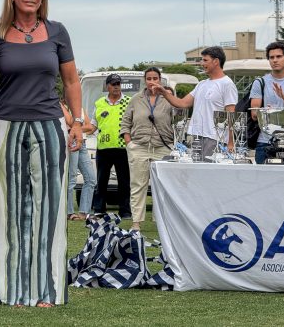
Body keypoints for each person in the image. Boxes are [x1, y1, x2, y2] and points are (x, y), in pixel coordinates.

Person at [0, 0, 82, 307]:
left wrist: (77, 122)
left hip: (50, 124)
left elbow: (71, 81)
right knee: (8, 207)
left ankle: (48, 290)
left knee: (50, 208)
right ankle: (12, 290)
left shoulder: (57, 32)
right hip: (6, 125)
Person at [151, 47, 238, 160]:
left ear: (216, 61)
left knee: (209, 170)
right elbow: (182, 103)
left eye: (205, 60)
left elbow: (231, 114)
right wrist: (164, 92)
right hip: (196, 137)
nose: (202, 63)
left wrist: (231, 142)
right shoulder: (201, 84)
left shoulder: (227, 84)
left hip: (215, 139)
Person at [120, 67, 173, 232]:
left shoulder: (167, 98)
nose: (152, 82)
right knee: (138, 185)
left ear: (160, 80)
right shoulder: (136, 99)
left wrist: (166, 94)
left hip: (163, 147)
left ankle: (161, 221)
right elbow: (125, 122)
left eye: (155, 78)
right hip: (139, 146)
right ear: (145, 80)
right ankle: (136, 222)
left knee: (163, 186)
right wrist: (129, 143)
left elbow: (179, 116)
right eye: (149, 78)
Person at [88, 73, 132, 219]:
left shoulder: (129, 101)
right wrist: (77, 130)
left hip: (122, 148)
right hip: (103, 148)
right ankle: (99, 209)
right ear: (107, 86)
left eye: (118, 84)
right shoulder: (99, 103)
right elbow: (93, 126)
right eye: (113, 84)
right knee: (101, 181)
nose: (116, 87)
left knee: (124, 181)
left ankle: (125, 211)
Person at [250, 41, 284, 164]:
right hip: (265, 143)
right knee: (263, 176)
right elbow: (254, 114)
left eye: (279, 56)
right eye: (271, 57)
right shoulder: (260, 82)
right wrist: (266, 113)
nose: (275, 60)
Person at [61, 102, 96, 221]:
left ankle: (84, 212)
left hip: (82, 143)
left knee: (91, 179)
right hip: (72, 142)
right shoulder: (60, 105)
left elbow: (90, 127)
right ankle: (69, 212)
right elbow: (71, 123)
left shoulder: (78, 106)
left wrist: (75, 128)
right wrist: (76, 127)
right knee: (71, 178)